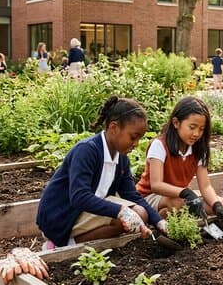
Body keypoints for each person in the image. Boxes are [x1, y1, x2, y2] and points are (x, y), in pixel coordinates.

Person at [36, 96, 167, 249]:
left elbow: (131, 195)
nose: (136, 144)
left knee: (140, 213)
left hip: (85, 212)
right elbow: (79, 196)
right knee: (131, 214)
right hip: (62, 216)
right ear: (113, 128)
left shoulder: (121, 158)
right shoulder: (86, 151)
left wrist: (159, 222)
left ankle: (71, 242)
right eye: (133, 137)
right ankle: (61, 244)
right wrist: (120, 211)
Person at [136, 96, 223, 222]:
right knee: (178, 203)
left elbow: (205, 187)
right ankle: (161, 218)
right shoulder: (160, 145)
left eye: (201, 129)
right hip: (150, 197)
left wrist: (216, 205)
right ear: (176, 123)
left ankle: (166, 216)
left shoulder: (198, 149)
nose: (196, 134)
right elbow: (156, 185)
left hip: (179, 195)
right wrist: (186, 193)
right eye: (192, 127)